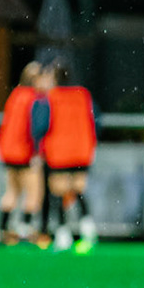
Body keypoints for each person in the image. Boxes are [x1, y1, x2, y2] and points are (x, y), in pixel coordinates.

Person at [41, 65, 98, 253]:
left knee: (58, 194)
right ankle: (88, 231)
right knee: (78, 192)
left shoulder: (52, 97)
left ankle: (63, 236)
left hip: (59, 152)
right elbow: (96, 120)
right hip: (82, 150)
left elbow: (42, 124)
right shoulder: (83, 95)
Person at [0, 62, 44, 244]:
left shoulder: (15, 95)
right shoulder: (35, 99)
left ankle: (0, 229)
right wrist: (36, 153)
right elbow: (35, 128)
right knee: (34, 193)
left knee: (12, 192)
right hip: (25, 152)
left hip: (8, 151)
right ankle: (24, 229)